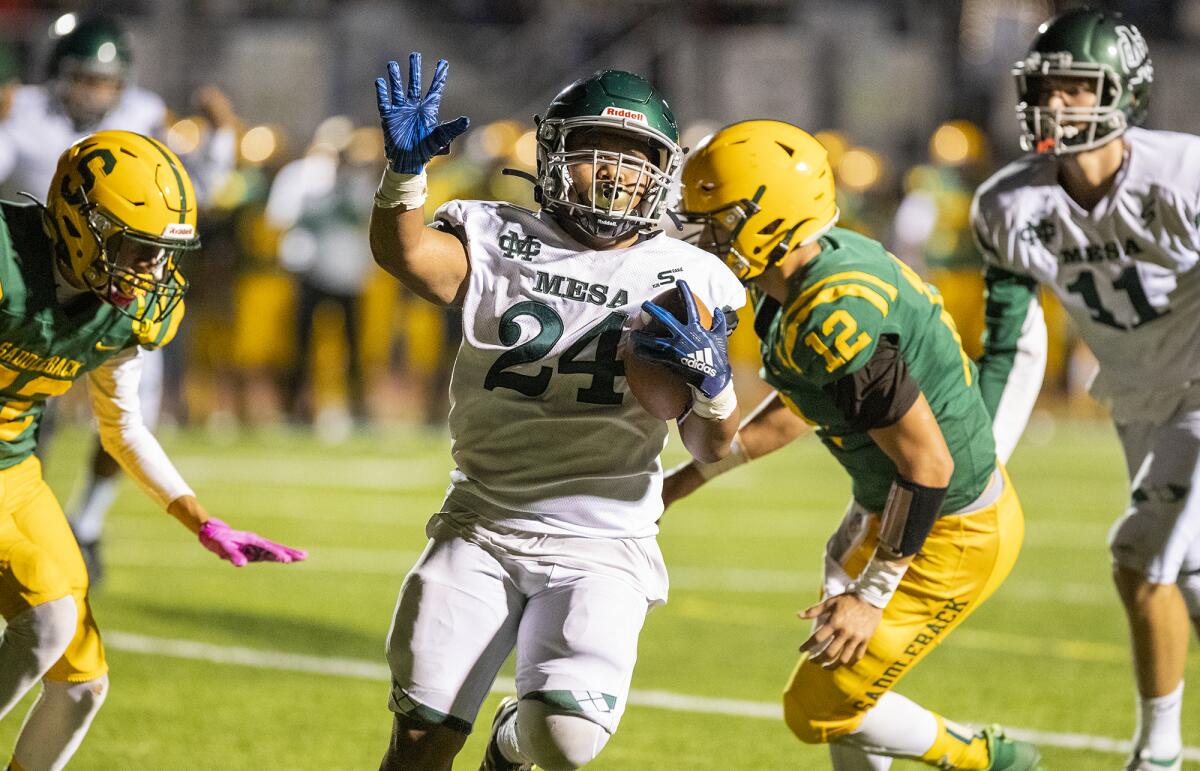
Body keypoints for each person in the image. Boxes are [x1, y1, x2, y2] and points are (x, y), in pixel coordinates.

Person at [368, 53, 745, 771]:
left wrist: (717, 387)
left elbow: (710, 444)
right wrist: (404, 177)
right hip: (482, 519)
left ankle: (511, 743)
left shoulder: (691, 276)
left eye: (635, 162)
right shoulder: (495, 235)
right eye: (596, 155)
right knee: (418, 744)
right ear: (553, 155)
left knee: (563, 739)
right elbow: (408, 255)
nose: (614, 175)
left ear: (662, 174)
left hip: (603, 540)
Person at [663, 120, 1040, 770]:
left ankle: (987, 758)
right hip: (890, 506)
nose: (703, 236)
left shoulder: (832, 308)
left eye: (718, 220)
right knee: (844, 684)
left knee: (817, 706)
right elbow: (802, 407)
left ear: (770, 220)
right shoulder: (803, 278)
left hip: (950, 528)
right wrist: (680, 482)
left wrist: (873, 592)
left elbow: (928, 462)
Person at [0, 129, 305, 771]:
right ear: (81, 223)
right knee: (49, 622)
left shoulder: (123, 313)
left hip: (13, 469)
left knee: (81, 685)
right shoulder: (4, 255)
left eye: (160, 254)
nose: (149, 271)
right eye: (136, 247)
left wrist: (200, 518)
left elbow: (123, 427)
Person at [971, 9, 1199, 771]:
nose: (1057, 103)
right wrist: (983, 451)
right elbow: (1009, 340)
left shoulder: (1185, 176)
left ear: (1124, 92)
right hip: (1138, 397)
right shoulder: (1010, 205)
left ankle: (1158, 756)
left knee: (1138, 556)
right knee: (1188, 580)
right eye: (1045, 87)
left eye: (1076, 86)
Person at [0, 14, 238, 584]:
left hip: (99, 287)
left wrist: (223, 135)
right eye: (85, 78)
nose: (97, 92)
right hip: (26, 277)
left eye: (108, 81)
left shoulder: (146, 115)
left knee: (125, 409)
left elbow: (192, 194)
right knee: (30, 419)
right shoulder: (22, 110)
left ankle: (82, 523)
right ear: (57, 76)